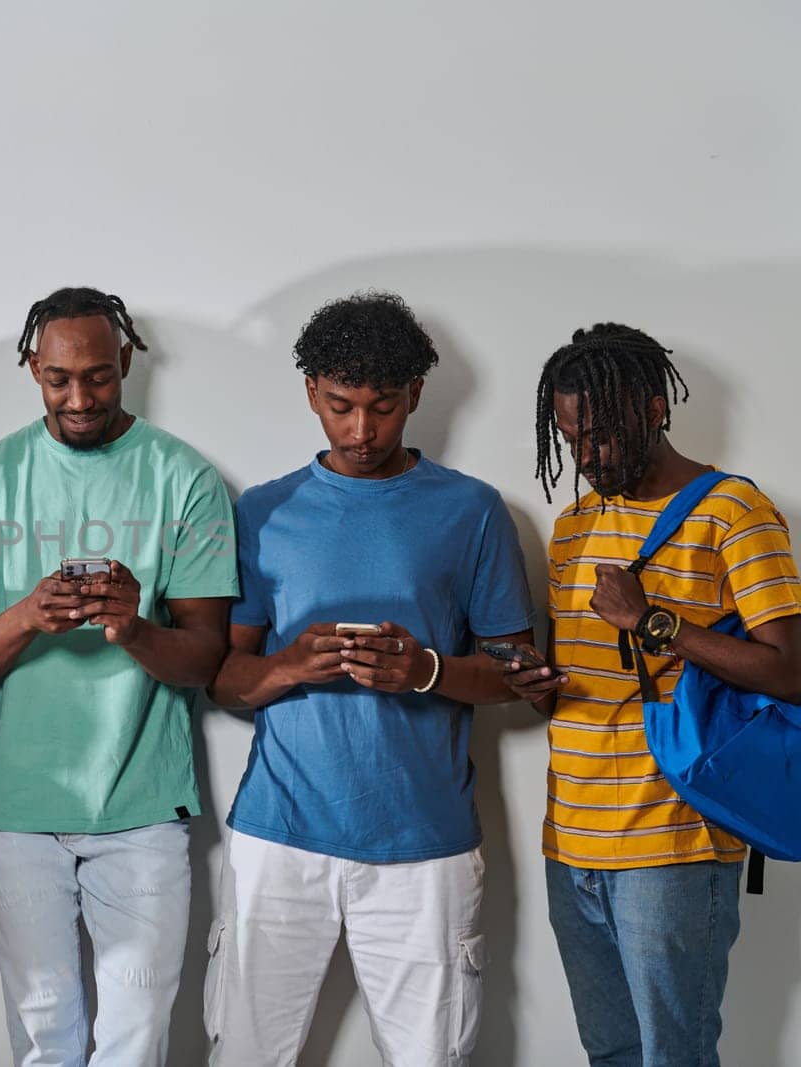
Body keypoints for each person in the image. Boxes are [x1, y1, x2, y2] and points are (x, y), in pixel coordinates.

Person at [206, 291, 536, 1067]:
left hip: (425, 843)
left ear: (415, 394)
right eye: (340, 405)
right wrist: (290, 665)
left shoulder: (473, 511)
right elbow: (223, 680)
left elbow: (520, 672)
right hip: (278, 836)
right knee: (246, 1053)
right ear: (311, 392)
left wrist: (423, 668)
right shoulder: (264, 511)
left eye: (383, 407)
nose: (361, 430)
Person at [0, 286, 237, 1065]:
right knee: (43, 1035)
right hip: (18, 798)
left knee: (136, 1038)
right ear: (33, 367)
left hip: (141, 803)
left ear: (126, 361)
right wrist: (29, 614)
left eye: (99, 377)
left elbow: (206, 658)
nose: (79, 397)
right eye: (59, 379)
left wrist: (134, 627)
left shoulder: (186, 480)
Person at [504, 323, 801, 1067]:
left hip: (673, 842)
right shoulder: (572, 528)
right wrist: (535, 682)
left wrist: (655, 621)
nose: (588, 456)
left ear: (656, 407)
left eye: (601, 434)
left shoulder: (735, 512)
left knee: (675, 1055)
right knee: (610, 1051)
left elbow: (790, 670)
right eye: (572, 439)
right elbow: (583, 682)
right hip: (569, 839)